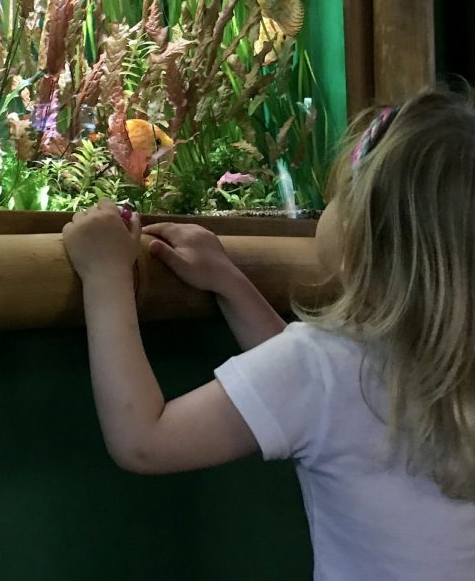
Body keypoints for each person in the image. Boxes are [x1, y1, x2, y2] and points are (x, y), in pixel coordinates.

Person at [62, 85, 475, 580]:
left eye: (338, 196)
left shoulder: (325, 365)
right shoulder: (436, 362)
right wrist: (230, 282)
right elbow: (319, 394)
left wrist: (106, 276)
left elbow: (144, 440)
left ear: (364, 235)